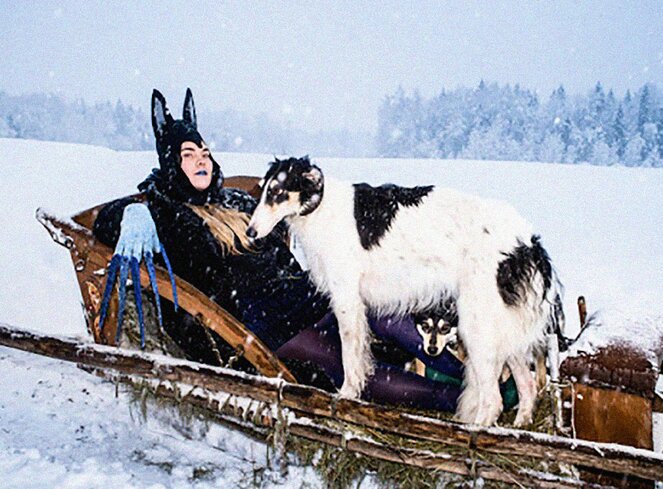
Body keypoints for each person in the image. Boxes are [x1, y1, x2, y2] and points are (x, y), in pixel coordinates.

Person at [93, 89, 468, 412]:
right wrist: (131, 211)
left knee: (379, 311)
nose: (201, 160)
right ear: (171, 163)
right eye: (188, 154)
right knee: (345, 364)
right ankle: (453, 399)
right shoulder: (166, 213)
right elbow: (98, 222)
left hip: (301, 293)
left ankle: (478, 380)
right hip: (260, 323)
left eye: (204, 152)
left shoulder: (235, 200)